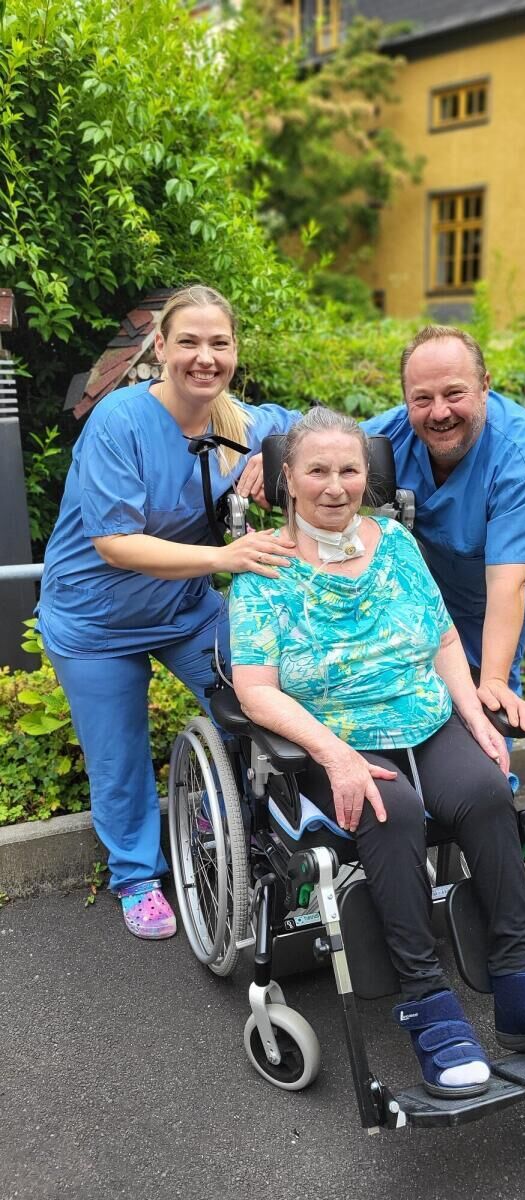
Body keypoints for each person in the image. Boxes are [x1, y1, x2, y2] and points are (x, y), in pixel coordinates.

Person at [229, 408, 525, 1100]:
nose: (335, 485)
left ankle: (523, 989)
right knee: (393, 811)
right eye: (317, 470)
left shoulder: (399, 544)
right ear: (287, 477)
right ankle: (427, 1002)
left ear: (367, 475)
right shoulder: (263, 568)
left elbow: (442, 641)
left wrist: (474, 716)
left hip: (425, 721)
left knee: (488, 793)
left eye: (349, 470)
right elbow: (256, 690)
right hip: (333, 736)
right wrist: (334, 755)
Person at [37, 284, 298, 940]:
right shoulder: (120, 420)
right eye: (189, 342)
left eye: (219, 343)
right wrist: (225, 559)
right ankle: (135, 876)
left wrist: (276, 456)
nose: (204, 357)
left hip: (183, 609)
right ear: (160, 348)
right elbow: (115, 544)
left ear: (234, 351)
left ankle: (220, 816)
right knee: (119, 757)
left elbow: (322, 429)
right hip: (95, 622)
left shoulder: (239, 423)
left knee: (262, 703)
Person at [361, 326, 525, 734]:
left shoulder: (520, 454)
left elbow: (509, 582)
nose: (439, 412)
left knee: (486, 705)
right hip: (424, 596)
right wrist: (278, 457)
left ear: (484, 386)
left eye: (454, 394)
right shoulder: (391, 434)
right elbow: (323, 446)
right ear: (405, 399)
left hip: (492, 602)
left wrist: (494, 680)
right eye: (422, 399)